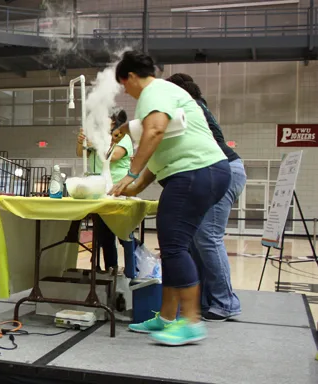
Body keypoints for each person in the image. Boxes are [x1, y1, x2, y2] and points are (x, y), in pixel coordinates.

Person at [111, 51, 231, 346]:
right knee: (173, 245)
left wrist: (130, 172)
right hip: (198, 173)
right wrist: (133, 188)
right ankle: (165, 317)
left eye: (124, 86)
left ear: (131, 77)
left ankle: (191, 322)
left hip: (198, 172)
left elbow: (155, 130)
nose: (127, 92)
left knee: (175, 245)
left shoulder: (155, 90)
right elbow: (160, 153)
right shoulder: (163, 97)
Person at [167, 73, 245, 322]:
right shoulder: (198, 106)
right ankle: (203, 300)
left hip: (222, 170)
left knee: (208, 237)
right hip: (217, 170)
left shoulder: (191, 109)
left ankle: (226, 302)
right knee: (195, 239)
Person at [76, 111, 135, 272]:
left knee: (124, 235)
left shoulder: (123, 137)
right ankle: (111, 268)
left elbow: (114, 155)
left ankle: (132, 270)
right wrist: (81, 141)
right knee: (104, 235)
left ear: (114, 121)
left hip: (119, 190)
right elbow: (80, 153)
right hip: (99, 191)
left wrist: (94, 141)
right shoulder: (97, 137)